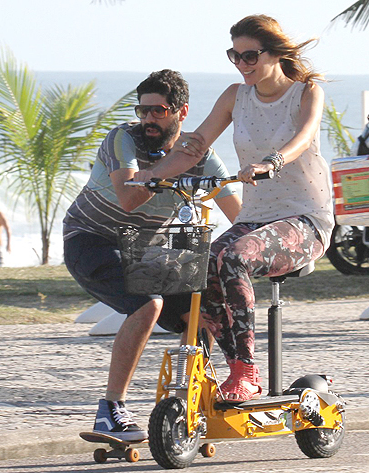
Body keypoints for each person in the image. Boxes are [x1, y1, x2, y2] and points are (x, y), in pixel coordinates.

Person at [135, 15, 333, 403]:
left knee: (235, 258)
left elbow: (302, 137)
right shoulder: (235, 96)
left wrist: (269, 163)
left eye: (249, 56)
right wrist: (152, 174)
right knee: (202, 264)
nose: (242, 64)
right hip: (256, 218)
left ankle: (247, 371)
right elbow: (196, 145)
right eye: (235, 56)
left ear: (274, 53)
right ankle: (237, 368)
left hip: (305, 218)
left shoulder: (306, 92)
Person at [62, 69, 242, 440]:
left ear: (182, 112)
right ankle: (111, 409)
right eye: (143, 111)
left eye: (158, 111)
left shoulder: (204, 158)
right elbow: (129, 199)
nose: (147, 120)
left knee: (201, 306)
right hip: (90, 239)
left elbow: (239, 215)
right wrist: (171, 166)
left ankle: (187, 405)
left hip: (142, 249)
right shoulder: (122, 139)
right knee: (148, 305)